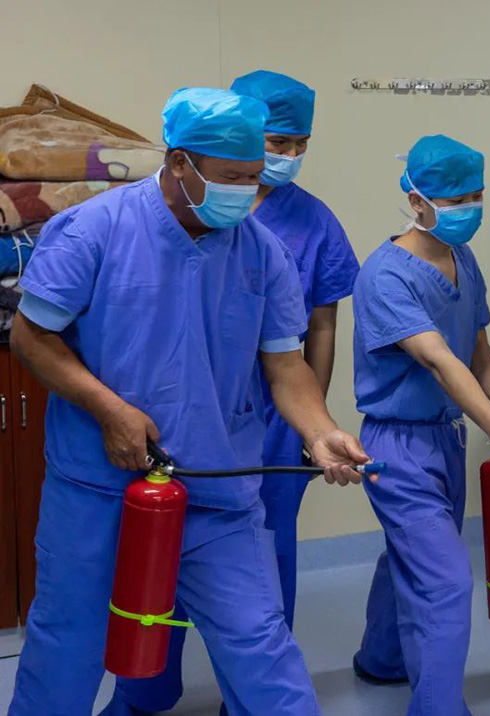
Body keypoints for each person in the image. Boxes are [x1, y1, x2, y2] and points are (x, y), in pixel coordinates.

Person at [8, 87, 372, 716]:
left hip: (216, 486)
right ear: (180, 162)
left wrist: (320, 432)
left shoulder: (262, 251)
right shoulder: (94, 230)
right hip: (98, 487)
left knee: (261, 645)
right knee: (68, 642)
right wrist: (109, 409)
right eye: (231, 177)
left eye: (253, 177)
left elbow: (285, 366)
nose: (246, 192)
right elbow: (30, 337)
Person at [108, 70, 361, 715]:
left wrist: (315, 426)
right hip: (174, 412)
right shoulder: (170, 212)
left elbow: (318, 329)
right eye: (276, 142)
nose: (285, 157)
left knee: (264, 565)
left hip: (268, 421)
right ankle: (145, 690)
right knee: (157, 552)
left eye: (299, 143)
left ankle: (245, 699)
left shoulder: (311, 222)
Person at [351, 134, 490, 715]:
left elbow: (475, 343)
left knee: (411, 556)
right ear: (417, 200)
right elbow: (437, 358)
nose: (469, 210)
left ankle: (381, 658)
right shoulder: (385, 276)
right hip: (398, 447)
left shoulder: (462, 258)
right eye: (455, 200)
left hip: (445, 439)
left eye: (476, 196)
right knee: (444, 582)